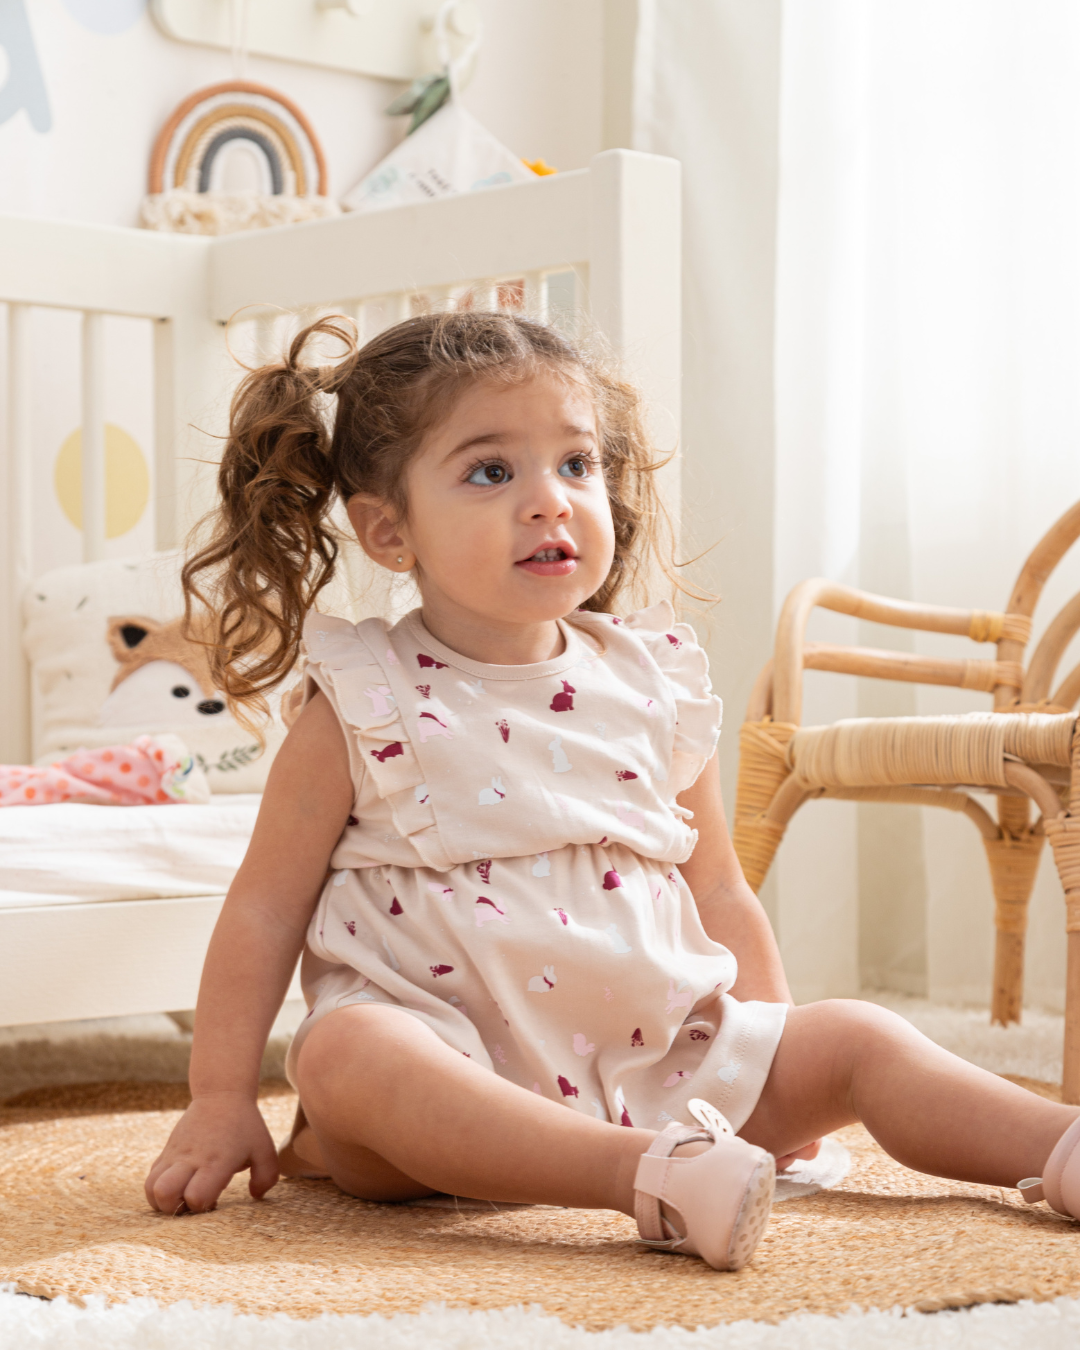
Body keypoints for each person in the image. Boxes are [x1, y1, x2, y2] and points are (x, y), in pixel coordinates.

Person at [144, 311, 1080, 1269]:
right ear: (389, 529)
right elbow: (265, 908)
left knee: (858, 1037)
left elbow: (719, 890)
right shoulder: (362, 699)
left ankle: (1055, 1144)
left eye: (577, 464)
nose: (550, 502)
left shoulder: (655, 680)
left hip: (662, 1062)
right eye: (491, 471)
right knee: (345, 1056)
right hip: (443, 1083)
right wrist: (220, 1099)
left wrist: (771, 1046)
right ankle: (646, 1175)